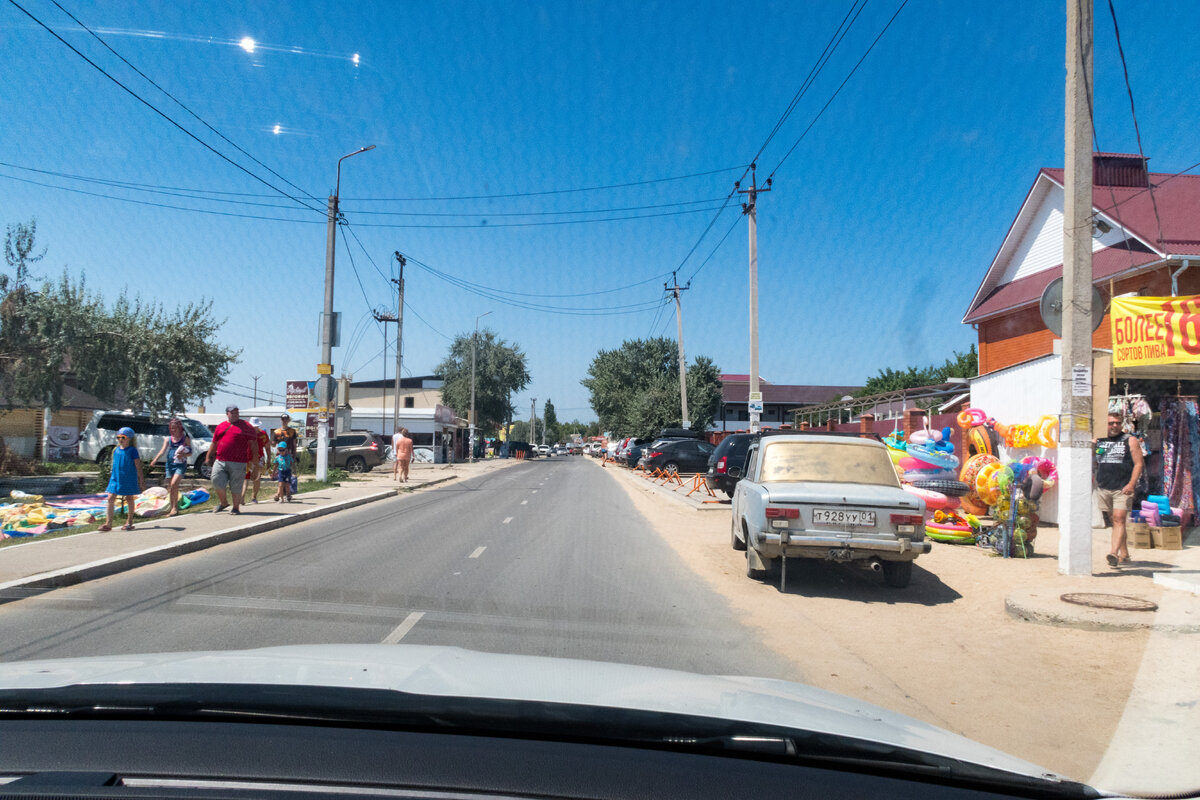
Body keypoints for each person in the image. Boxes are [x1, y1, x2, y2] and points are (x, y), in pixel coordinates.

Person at [1094, 412, 1146, 568]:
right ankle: (1125, 554)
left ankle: (1113, 553)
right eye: (1111, 423)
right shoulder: (1100, 441)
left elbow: (1138, 463)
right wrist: (1093, 445)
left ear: (1122, 424)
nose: (1114, 426)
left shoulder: (1129, 440)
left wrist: (1131, 484)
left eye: (1117, 423)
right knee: (1115, 520)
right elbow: (1098, 459)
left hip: (1123, 488)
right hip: (1104, 486)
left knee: (1119, 518)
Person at [205, 404, 257, 515]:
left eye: (237, 413)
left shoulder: (247, 426)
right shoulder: (221, 426)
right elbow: (214, 443)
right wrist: (208, 456)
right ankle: (224, 503)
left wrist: (254, 461)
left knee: (236, 485)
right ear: (227, 414)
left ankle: (236, 508)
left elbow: (253, 445)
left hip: (239, 462)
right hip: (220, 460)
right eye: (232, 413)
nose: (235, 415)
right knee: (216, 480)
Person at [100, 426, 144, 531]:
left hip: (128, 477)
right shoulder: (116, 450)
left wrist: (141, 480)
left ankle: (129, 522)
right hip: (115, 478)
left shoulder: (132, 450)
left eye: (123, 437)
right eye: (118, 437)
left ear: (129, 438)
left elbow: (138, 466)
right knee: (110, 498)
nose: (120, 439)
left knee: (129, 498)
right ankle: (108, 524)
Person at [148, 418, 191, 517]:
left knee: (174, 483)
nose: (173, 430)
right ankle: (172, 508)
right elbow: (162, 451)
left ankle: (174, 508)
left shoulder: (185, 439)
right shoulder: (168, 439)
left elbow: (190, 452)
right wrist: (155, 460)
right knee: (171, 487)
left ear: (179, 428)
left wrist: (183, 455)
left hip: (180, 465)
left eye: (175, 428)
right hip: (170, 465)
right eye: (171, 428)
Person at [245, 417, 272, 503]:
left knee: (256, 478)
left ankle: (254, 497)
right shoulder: (246, 433)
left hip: (259, 458)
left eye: (256, 426)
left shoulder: (263, 434)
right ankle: (241, 497)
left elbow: (268, 447)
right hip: (247, 458)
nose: (254, 428)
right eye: (253, 426)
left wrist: (269, 459)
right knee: (245, 478)